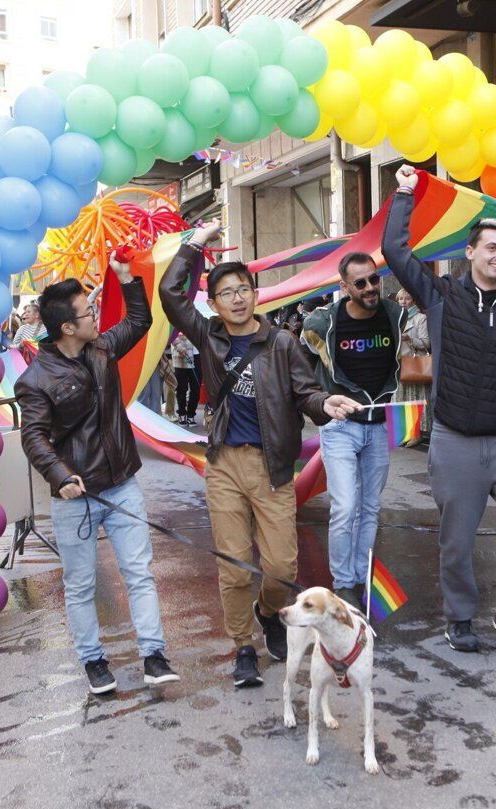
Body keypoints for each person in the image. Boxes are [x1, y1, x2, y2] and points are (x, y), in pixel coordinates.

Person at [159, 220, 362, 689]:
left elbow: (306, 392)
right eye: (226, 292)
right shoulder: (208, 335)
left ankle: (268, 611)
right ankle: (243, 646)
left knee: (280, 568)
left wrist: (323, 404)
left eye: (243, 289)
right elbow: (171, 295)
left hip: (273, 467)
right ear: (214, 303)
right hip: (225, 464)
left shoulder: (282, 343)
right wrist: (194, 246)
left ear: (255, 294)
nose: (236, 298)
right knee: (231, 563)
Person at [383, 165, 496, 655]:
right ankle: (460, 617)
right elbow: (396, 252)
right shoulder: (441, 297)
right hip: (454, 439)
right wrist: (405, 192)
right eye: (490, 247)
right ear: (469, 252)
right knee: (457, 543)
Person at [15, 270, 179, 694]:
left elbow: (140, 320)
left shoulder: (102, 348)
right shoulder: (34, 380)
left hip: (122, 482)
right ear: (67, 327)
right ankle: (93, 661)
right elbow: (33, 437)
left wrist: (128, 281)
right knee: (81, 584)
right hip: (75, 497)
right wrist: (60, 476)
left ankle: (154, 655)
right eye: (89, 313)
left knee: (139, 572)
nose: (96, 318)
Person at [301, 252, 407, 609]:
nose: (369, 288)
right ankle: (343, 581)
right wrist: (318, 398)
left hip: (377, 426)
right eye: (359, 283)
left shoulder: (395, 315)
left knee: (370, 507)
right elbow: (300, 361)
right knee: (345, 507)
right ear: (345, 287)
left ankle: (363, 575)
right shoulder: (323, 323)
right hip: (341, 426)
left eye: (374, 280)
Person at [393, 288, 432, 442]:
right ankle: (402, 433)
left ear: (413, 300)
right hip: (398, 363)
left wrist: (409, 338)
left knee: (414, 398)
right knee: (399, 397)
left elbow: (426, 343)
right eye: (400, 298)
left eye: (407, 298)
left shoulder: (420, 318)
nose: (403, 302)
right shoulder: (395, 317)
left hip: (415, 364)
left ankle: (417, 433)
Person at [171, 335, 201, 425]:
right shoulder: (178, 321)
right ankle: (182, 414)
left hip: (198, 357)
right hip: (182, 357)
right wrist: (180, 348)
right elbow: (172, 336)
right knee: (181, 388)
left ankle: (191, 415)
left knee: (196, 388)